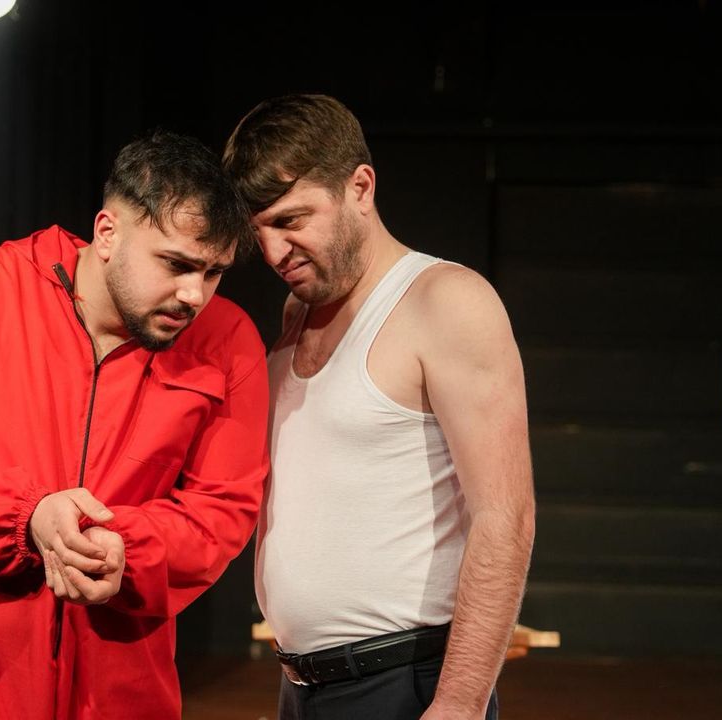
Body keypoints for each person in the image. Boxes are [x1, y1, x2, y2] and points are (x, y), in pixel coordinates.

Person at [0, 130, 270, 719]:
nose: (193, 294)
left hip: (121, 697)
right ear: (108, 232)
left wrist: (124, 550)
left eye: (213, 272)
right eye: (176, 264)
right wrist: (27, 518)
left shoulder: (228, 342)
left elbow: (221, 511)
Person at [223, 94, 535, 719]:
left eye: (291, 220)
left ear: (360, 187)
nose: (275, 252)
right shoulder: (297, 312)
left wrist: (458, 705)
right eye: (260, 232)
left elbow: (506, 518)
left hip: (406, 684)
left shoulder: (445, 301)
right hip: (303, 686)